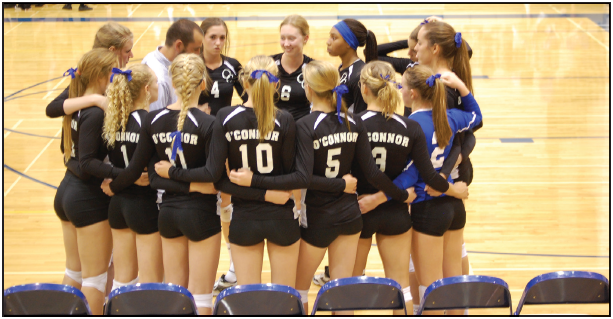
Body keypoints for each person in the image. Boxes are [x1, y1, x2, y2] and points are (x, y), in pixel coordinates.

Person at [228, 60, 414, 314]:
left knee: (298, 290)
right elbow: (371, 172)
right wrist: (399, 195)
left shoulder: (305, 125)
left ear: (310, 90)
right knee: (341, 291)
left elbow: (302, 177)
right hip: (349, 217)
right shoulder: (353, 121)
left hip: (317, 217)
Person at [351, 61, 467, 315]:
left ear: (365, 89)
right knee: (401, 285)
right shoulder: (408, 126)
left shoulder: (353, 123)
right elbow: (420, 172)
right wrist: (452, 187)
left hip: (359, 209)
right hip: (396, 211)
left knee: (351, 283)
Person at [205, 55, 301, 288]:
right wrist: (268, 194)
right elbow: (292, 177)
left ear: (244, 83)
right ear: (276, 85)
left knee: (248, 298)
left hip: (245, 216)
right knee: (285, 297)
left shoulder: (225, 116)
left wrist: (252, 184)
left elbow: (217, 180)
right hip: (281, 215)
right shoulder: (286, 119)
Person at [398, 64, 481, 315]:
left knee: (431, 289)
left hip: (427, 208)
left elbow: (408, 172)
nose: (399, 90)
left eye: (402, 87)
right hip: (454, 208)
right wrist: (462, 87)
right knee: (453, 284)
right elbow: (476, 116)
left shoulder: (409, 125)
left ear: (412, 94)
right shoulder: (451, 116)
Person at [53, 48, 119, 315]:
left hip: (66, 191)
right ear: (103, 75)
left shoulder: (78, 101)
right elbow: (87, 163)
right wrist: (122, 174)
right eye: (114, 72)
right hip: (87, 199)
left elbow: (68, 151)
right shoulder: (96, 111)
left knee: (75, 272)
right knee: (95, 279)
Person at [195, 17, 248, 294]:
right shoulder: (192, 64)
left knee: (226, 203)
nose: (217, 43)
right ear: (201, 37)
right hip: (197, 143)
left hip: (224, 142)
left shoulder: (232, 66)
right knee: (202, 200)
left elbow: (246, 97)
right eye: (212, 37)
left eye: (222, 38)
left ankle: (234, 268)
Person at [101, 64, 164, 291]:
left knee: (122, 279)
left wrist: (115, 186)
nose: (159, 87)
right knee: (151, 282)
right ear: (147, 89)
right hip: (143, 204)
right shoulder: (149, 121)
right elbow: (142, 170)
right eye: (156, 83)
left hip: (117, 206)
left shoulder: (114, 120)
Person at [46, 22, 134, 119]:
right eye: (127, 51)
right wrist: (95, 99)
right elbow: (52, 108)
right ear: (112, 50)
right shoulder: (90, 76)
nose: (131, 55)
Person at [142, 19, 204, 111]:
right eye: (195, 49)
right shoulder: (159, 79)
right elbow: (157, 121)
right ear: (179, 45)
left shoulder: (151, 56)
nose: (198, 54)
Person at [326, 18, 377, 114]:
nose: (328, 42)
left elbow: (361, 117)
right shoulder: (342, 67)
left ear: (348, 43)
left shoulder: (359, 75)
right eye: (330, 36)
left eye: (334, 38)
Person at [272, 14, 314, 121]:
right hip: (272, 130)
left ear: (306, 38)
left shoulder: (313, 69)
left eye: (291, 38)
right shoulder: (269, 64)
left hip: (301, 130)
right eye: (282, 38)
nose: (286, 44)